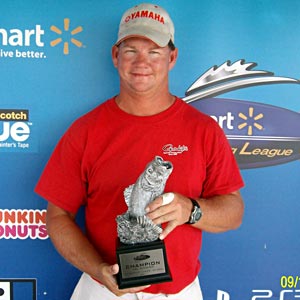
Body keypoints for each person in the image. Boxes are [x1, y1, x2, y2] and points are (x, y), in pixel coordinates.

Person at [35, 3, 244, 300]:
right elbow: (57, 216)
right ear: (115, 56)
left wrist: (191, 210)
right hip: (103, 289)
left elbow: (233, 211)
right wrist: (98, 269)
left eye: (154, 51)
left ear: (172, 57)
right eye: (131, 50)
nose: (141, 62)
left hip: (179, 292)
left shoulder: (203, 130)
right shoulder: (85, 130)